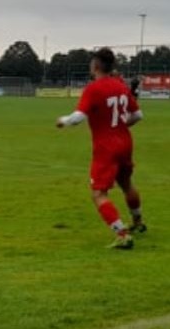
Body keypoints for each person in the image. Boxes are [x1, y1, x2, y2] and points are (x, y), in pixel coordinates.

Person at [56, 47, 146, 250]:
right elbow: (139, 115)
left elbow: (79, 117)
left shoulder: (94, 88)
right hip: (125, 143)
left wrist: (63, 121)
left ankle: (122, 234)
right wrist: (122, 125)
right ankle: (138, 223)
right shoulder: (121, 86)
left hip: (106, 147)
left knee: (98, 193)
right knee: (126, 183)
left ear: (96, 66)